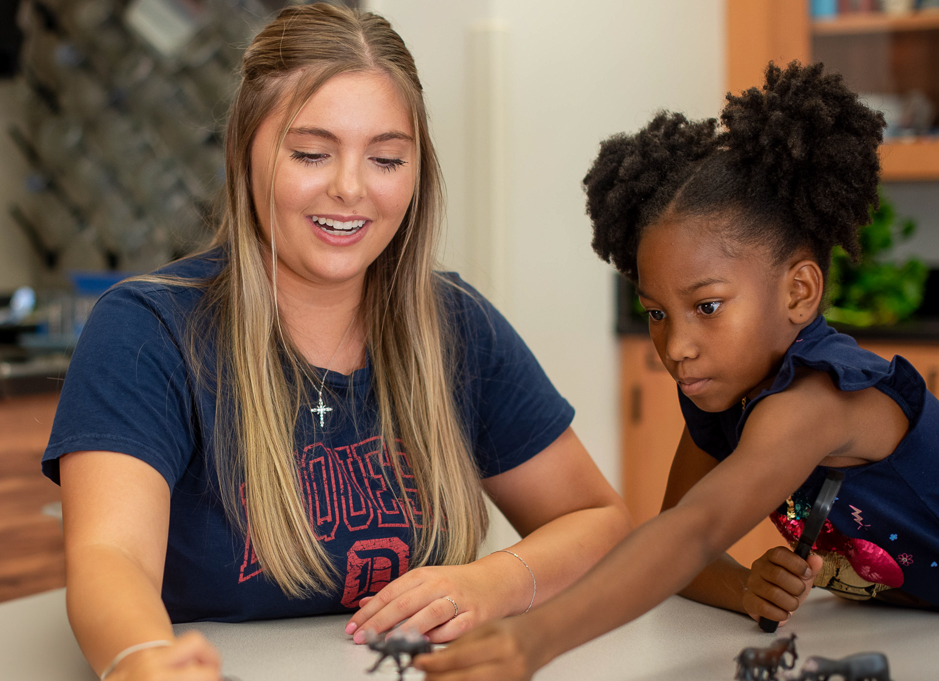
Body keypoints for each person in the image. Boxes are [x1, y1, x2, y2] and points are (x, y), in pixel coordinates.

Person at [42, 4, 631, 680]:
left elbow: (598, 518)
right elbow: (108, 560)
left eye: (385, 158)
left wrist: (491, 581)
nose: (350, 188)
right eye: (312, 153)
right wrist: (146, 661)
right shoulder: (145, 330)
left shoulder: (457, 323)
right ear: (245, 152)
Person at [415, 61, 939, 680]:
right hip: (935, 632)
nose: (677, 345)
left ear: (799, 292)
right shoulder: (725, 401)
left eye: (707, 307)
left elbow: (694, 533)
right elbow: (685, 544)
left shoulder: (818, 396)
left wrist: (533, 642)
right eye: (656, 313)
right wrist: (746, 589)